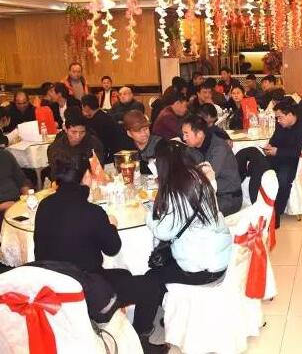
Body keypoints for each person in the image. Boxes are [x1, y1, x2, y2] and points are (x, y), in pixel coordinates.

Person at [33, 156, 167, 353]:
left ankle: (118, 328)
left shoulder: (44, 206)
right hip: (86, 288)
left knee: (123, 275)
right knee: (150, 285)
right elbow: (113, 248)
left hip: (49, 284)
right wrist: (111, 225)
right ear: (87, 177)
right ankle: (141, 338)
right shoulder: (92, 212)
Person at [146, 139, 231, 307]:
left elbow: (163, 232)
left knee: (151, 277)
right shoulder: (198, 177)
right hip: (221, 255)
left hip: (204, 268)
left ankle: (170, 311)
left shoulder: (178, 191)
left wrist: (149, 216)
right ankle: (177, 307)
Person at [263, 97, 302, 226]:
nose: (278, 121)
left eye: (280, 117)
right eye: (277, 118)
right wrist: (270, 146)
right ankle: (262, 205)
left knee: (283, 179)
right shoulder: (281, 125)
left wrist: (277, 151)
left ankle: (277, 212)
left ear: (290, 114)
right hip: (279, 157)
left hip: (294, 162)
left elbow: (298, 152)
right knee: (260, 168)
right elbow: (275, 139)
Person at [182, 115, 243, 216]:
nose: (184, 138)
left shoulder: (219, 148)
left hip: (228, 198)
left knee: (191, 213)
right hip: (206, 196)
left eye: (186, 134)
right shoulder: (191, 149)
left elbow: (207, 178)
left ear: (200, 134)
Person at [47, 108, 104, 181]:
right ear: (65, 129)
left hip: (91, 182)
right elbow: (56, 177)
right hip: (65, 184)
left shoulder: (93, 143)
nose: (78, 136)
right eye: (74, 132)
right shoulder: (56, 148)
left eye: (82, 132)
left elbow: (97, 171)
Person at [81, 94, 123, 164]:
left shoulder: (95, 122)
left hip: (106, 158)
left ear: (87, 107)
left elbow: (98, 144)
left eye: (82, 106)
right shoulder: (103, 116)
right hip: (113, 154)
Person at [120, 110, 164, 175]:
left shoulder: (159, 144)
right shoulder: (127, 146)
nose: (144, 134)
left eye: (146, 129)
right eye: (138, 131)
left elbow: (162, 170)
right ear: (129, 133)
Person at [0, 146, 30, 216]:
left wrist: (27, 197)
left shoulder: (5, 154)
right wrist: (2, 206)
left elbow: (22, 180)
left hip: (17, 201)